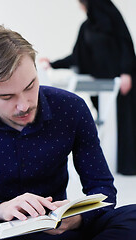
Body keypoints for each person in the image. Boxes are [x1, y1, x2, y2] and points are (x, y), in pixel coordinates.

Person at [0, 25, 136, 240]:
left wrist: (77, 218)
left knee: (133, 217)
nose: (24, 105)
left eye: (30, 86)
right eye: (7, 97)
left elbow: (104, 192)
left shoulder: (71, 108)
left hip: (57, 232)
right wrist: (0, 210)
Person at [39, 0, 136, 175]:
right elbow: (77, 57)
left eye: (82, 3)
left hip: (121, 84)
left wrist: (126, 72)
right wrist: (52, 63)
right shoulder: (86, 27)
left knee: (127, 124)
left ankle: (129, 167)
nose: (80, 6)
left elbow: (126, 45)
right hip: (101, 87)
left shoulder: (114, 21)